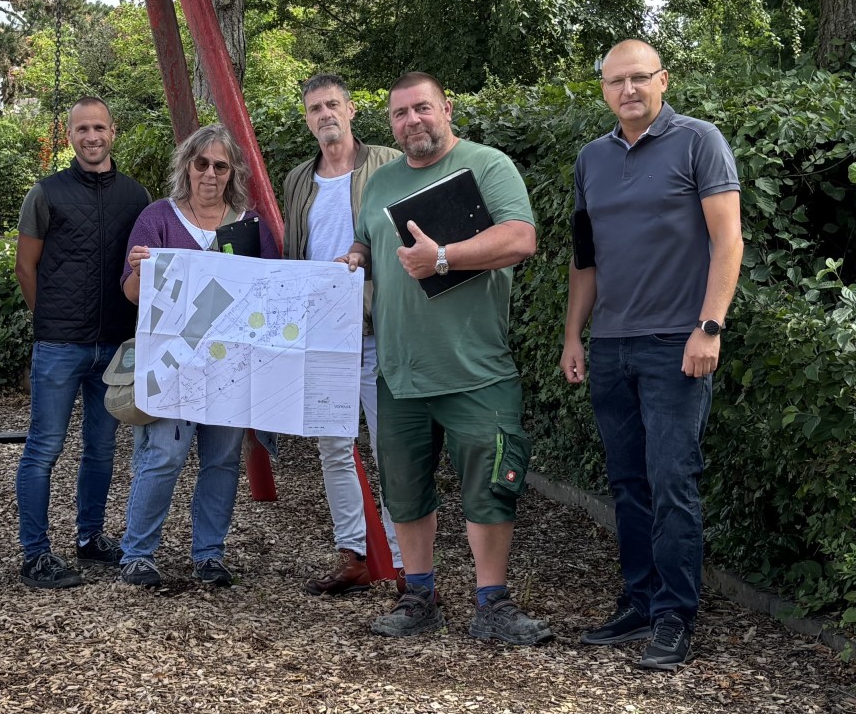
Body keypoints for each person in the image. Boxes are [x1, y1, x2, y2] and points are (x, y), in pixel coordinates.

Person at [342, 73, 553, 644]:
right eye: (400, 114)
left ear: (446, 109)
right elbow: (368, 238)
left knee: (490, 484)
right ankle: (419, 597)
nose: (413, 121)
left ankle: (492, 603)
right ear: (390, 124)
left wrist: (444, 258)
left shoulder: (487, 166)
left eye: (422, 109)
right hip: (401, 371)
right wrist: (357, 253)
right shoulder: (379, 182)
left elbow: (520, 239)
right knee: (405, 488)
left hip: (475, 368)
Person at [560, 39, 742, 671]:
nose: (628, 90)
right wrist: (572, 335)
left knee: (672, 480)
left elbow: (728, 241)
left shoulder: (699, 142)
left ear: (664, 80)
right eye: (615, 81)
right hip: (610, 345)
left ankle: (675, 615)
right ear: (603, 89)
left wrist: (709, 326)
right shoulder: (591, 159)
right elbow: (586, 258)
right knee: (628, 482)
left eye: (640, 78)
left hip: (678, 344)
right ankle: (639, 600)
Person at [118, 124, 279, 588]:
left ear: (232, 173)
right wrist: (138, 270)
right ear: (186, 165)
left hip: (229, 367)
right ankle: (138, 553)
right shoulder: (158, 218)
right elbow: (131, 294)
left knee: (223, 459)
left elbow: (270, 293)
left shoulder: (249, 226)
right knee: (164, 455)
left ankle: (209, 554)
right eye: (201, 163)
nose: (210, 173)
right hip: (172, 364)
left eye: (220, 165)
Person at [12, 96, 151, 588]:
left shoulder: (137, 197)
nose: (91, 137)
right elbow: (25, 267)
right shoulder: (46, 193)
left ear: (114, 131)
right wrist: (48, 318)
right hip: (59, 344)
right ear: (69, 137)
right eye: (81, 130)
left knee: (101, 448)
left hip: (114, 344)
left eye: (99, 128)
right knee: (43, 448)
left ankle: (90, 537)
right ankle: (35, 553)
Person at [280, 73, 404, 595]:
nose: (325, 114)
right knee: (334, 449)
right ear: (307, 119)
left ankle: (402, 561)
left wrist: (363, 257)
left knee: (391, 448)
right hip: (321, 337)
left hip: (377, 328)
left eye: (333, 104)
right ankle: (352, 551)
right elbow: (290, 252)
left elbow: (404, 234)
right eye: (314, 108)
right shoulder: (297, 181)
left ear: (351, 110)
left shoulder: (386, 166)